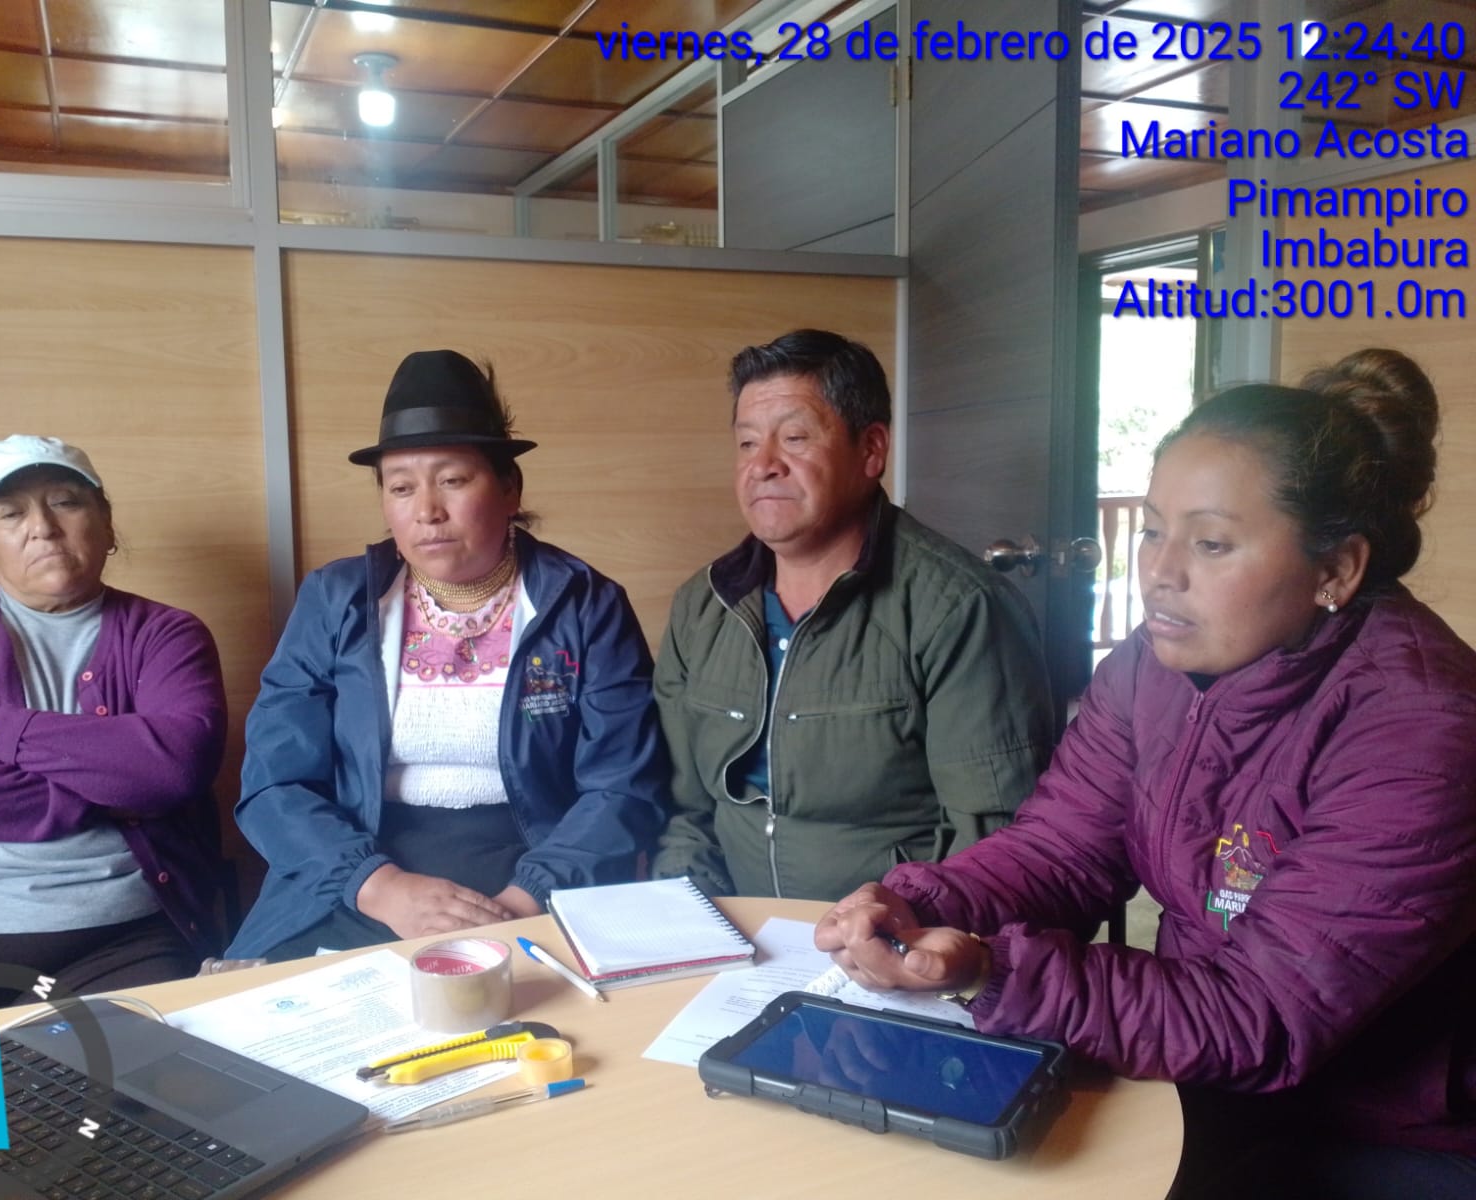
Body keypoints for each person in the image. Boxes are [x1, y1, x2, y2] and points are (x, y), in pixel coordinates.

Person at [815, 348, 1476, 1199]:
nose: (1159, 572)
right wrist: (922, 905)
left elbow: (1263, 1014)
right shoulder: (1155, 665)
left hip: (1382, 1133)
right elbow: (1061, 850)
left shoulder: (1423, 730)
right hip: (1202, 1071)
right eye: (1155, 530)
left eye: (1211, 543)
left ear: (1336, 570)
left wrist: (992, 972)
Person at [228, 350, 668, 960]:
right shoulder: (336, 601)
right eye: (401, 487)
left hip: (537, 869)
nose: (427, 511)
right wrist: (380, 887)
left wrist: (525, 901)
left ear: (510, 488)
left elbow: (623, 786)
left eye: (453, 480)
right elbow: (275, 783)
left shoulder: (584, 604)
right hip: (359, 869)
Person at [651, 329, 1053, 901]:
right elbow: (684, 810)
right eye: (746, 443)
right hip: (730, 925)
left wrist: (897, 932)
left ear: (871, 450)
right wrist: (690, 912)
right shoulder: (704, 604)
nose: (763, 465)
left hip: (893, 935)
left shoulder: (961, 609)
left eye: (794, 438)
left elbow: (992, 841)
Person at [0, 436, 228, 1021]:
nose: (42, 527)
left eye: (65, 502)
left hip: (127, 936)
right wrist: (101, 792)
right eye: (11, 514)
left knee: (117, 1075)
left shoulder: (167, 634)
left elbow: (176, 766)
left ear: (107, 525)